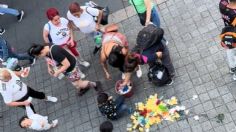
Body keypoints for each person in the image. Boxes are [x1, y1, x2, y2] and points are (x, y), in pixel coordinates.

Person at [28, 44, 102, 96]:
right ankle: (83, 87)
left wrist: (57, 72)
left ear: (41, 52)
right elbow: (47, 59)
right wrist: (49, 67)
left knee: (77, 83)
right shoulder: (45, 48)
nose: (40, 57)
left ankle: (95, 84)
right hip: (66, 70)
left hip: (71, 69)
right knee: (75, 83)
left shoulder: (54, 52)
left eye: (38, 56)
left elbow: (67, 64)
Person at [219, 0, 236, 80]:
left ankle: (232, 68)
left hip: (227, 34)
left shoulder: (222, 5)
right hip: (235, 36)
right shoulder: (234, 13)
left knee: (229, 51)